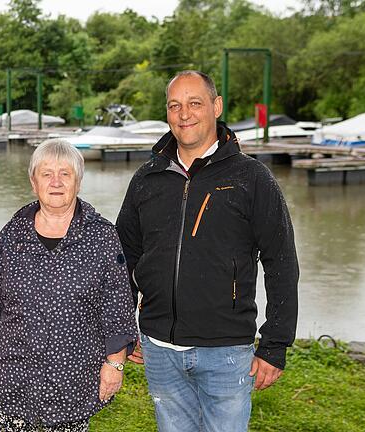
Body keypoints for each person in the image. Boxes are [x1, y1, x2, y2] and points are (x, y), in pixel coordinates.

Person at [115, 70, 299, 432]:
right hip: (159, 349)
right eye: (175, 105)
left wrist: (274, 344)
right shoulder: (146, 179)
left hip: (227, 351)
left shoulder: (252, 178)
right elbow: (123, 258)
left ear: (216, 106)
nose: (185, 114)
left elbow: (281, 262)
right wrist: (123, 327)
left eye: (195, 103)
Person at [0, 139, 137, 432]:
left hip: (73, 380)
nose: (55, 182)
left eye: (65, 174)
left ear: (78, 182)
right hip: (14, 377)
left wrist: (115, 365)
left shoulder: (102, 236)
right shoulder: (13, 233)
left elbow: (117, 307)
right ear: (34, 182)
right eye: (46, 174)